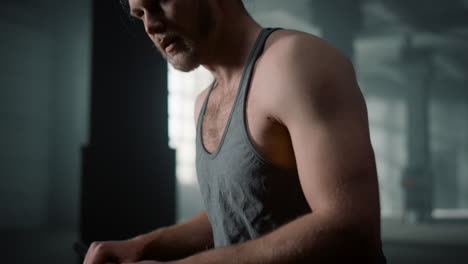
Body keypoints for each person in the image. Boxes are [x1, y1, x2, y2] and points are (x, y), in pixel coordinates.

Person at [84, 0, 386, 263]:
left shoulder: (296, 62)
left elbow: (352, 230)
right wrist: (141, 246)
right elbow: (239, 211)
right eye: (140, 14)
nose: (151, 24)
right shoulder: (204, 102)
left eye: (160, 1)